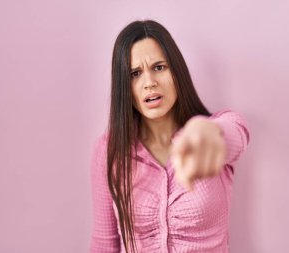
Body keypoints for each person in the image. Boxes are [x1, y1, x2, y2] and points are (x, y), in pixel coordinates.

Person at [89, 19, 250, 253]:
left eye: (159, 67)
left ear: (177, 71)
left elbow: (235, 134)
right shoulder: (108, 150)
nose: (149, 83)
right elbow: (104, 243)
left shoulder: (216, 128)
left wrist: (207, 132)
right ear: (124, 85)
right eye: (135, 73)